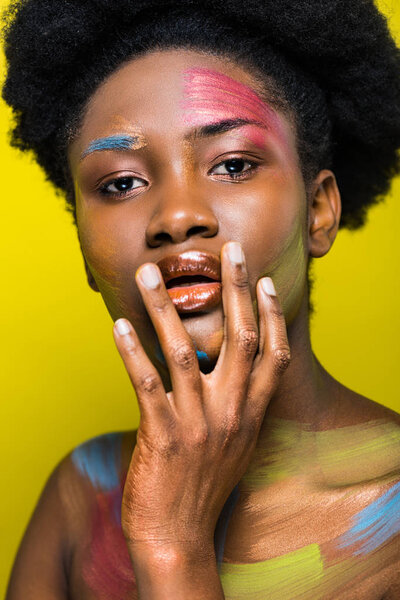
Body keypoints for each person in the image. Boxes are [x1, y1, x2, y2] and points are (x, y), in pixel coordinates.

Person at [3, 0, 400, 598]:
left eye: (234, 164)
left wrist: (173, 547)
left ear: (318, 210)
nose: (177, 216)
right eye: (122, 183)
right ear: (84, 250)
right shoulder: (80, 501)